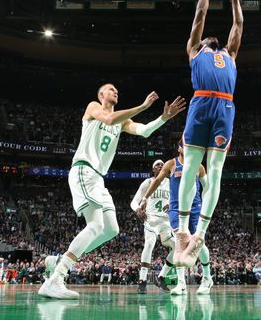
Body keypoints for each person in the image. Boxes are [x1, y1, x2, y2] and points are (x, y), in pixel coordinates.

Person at [38, 84, 186, 299]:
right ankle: (56, 278)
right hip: (84, 170)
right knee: (96, 224)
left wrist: (163, 118)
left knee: (111, 229)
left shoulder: (122, 121)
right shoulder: (94, 108)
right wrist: (144, 106)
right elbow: (108, 119)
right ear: (101, 95)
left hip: (98, 178)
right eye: (110, 89)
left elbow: (144, 131)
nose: (115, 91)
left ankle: (60, 261)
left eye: (117, 90)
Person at [176, 0, 244, 268]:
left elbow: (238, 26)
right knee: (189, 168)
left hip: (224, 105)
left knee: (214, 173)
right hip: (201, 103)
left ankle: (200, 234)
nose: (209, 36)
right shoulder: (195, 49)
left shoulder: (230, 54)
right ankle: (182, 231)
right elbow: (200, 15)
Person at [141, 140, 212, 295]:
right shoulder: (171, 164)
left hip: (194, 209)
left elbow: (208, 188)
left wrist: (207, 207)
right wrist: (145, 198)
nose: (188, 147)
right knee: (180, 243)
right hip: (175, 209)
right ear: (179, 148)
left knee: (198, 243)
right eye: (185, 145)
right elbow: (157, 181)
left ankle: (207, 277)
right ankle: (181, 284)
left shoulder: (199, 166)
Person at [130, 159, 177, 294]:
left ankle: (161, 276)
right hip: (151, 219)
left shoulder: (171, 183)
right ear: (153, 169)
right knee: (150, 243)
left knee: (177, 247)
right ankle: (142, 280)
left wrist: (173, 205)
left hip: (166, 222)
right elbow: (134, 201)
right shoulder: (148, 182)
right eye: (157, 165)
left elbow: (176, 200)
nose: (161, 166)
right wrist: (138, 209)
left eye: (163, 165)